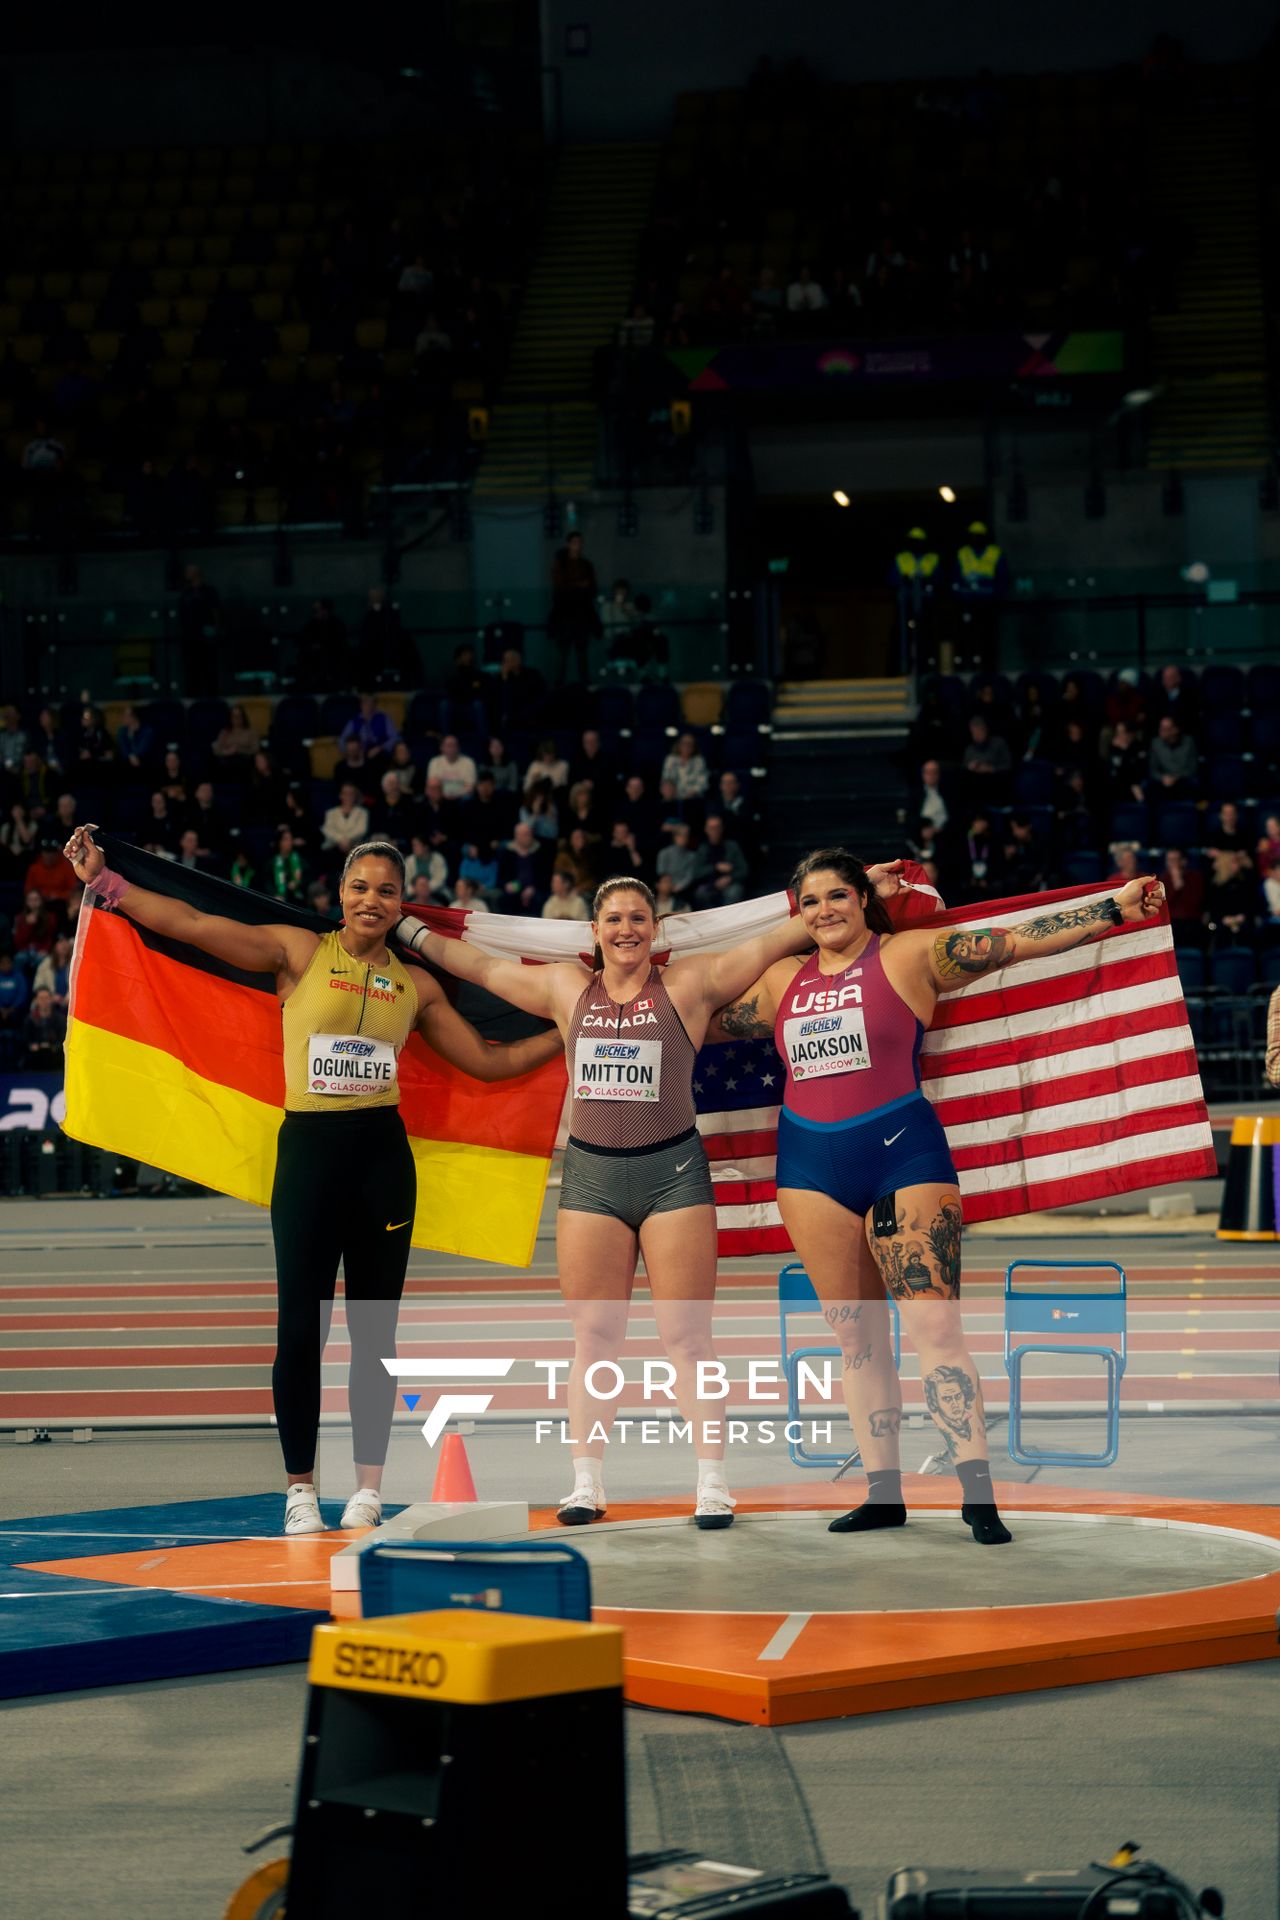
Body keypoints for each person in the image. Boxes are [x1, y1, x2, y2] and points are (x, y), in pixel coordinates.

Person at [62, 826, 562, 1536]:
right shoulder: (297, 952)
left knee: (373, 1335)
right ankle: (299, 1489)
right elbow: (197, 925)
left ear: (400, 906)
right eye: (360, 887)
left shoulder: (415, 985)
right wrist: (106, 884)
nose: (371, 899)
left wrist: (570, 1028)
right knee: (300, 1327)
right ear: (340, 894)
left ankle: (367, 1489)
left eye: (386, 890)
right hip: (309, 1158)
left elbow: (488, 1062)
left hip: (381, 1163)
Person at [710, 848, 1166, 1546]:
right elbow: (689, 1010)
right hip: (808, 1170)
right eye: (810, 902)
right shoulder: (778, 982)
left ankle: (977, 1494)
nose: (825, 911)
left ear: (863, 899)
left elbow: (1016, 942)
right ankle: (882, 1493)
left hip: (903, 1157)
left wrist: (1112, 909)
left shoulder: (911, 956)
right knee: (855, 1339)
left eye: (838, 896)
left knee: (934, 1331)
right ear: (794, 915)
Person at [396, 874, 819, 1528]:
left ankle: (713, 1482)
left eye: (638, 919)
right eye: (614, 919)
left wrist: (842, 893)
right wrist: (409, 929)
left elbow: (772, 942)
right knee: (594, 1339)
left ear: (656, 929)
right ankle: (586, 1483)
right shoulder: (566, 988)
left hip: (673, 1174)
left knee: (688, 1339)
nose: (626, 929)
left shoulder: (689, 984)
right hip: (593, 1181)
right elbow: (477, 965)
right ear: (594, 931)